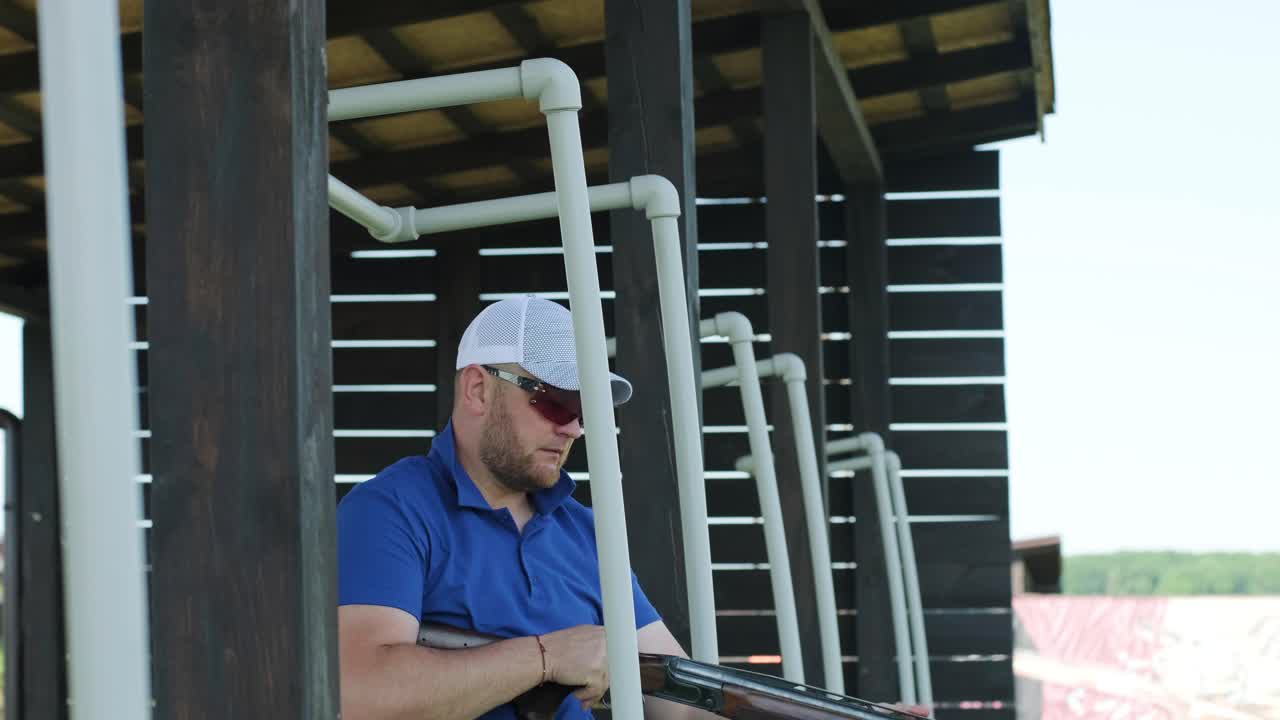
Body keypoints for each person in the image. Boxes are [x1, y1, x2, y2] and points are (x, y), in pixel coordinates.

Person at [337, 295, 702, 720]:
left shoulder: (585, 533)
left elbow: (685, 706)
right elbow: (362, 692)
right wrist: (545, 657)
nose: (573, 428)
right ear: (477, 389)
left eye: (584, 409)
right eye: (557, 401)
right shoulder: (389, 511)